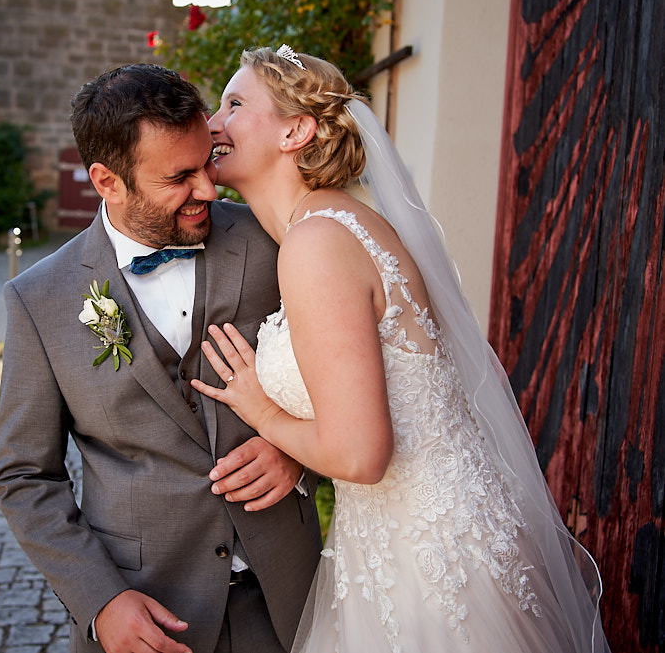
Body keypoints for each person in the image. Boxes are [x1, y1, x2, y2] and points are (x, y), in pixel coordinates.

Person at [192, 46, 612, 652]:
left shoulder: (316, 244)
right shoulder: (341, 223)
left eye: (234, 105)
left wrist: (263, 412)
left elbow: (362, 455)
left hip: (426, 559)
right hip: (422, 533)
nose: (213, 123)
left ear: (297, 130)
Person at [0, 63, 322, 653]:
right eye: (179, 177)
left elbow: (347, 378)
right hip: (149, 613)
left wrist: (299, 453)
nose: (208, 190)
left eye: (207, 163)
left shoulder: (276, 240)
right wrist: (100, 601)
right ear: (107, 181)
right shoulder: (39, 300)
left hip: (291, 596)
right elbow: (25, 476)